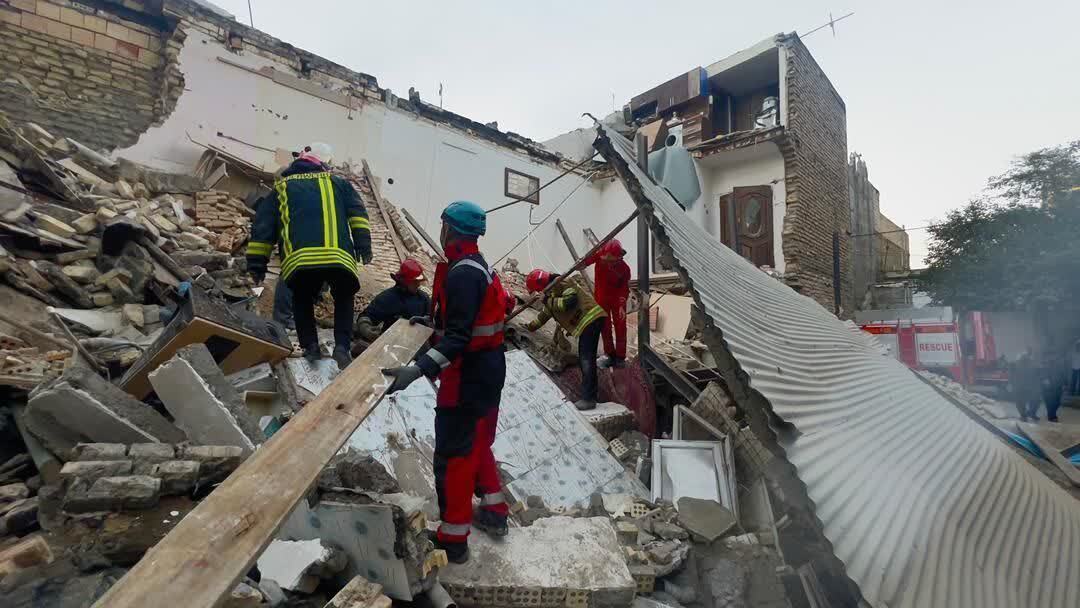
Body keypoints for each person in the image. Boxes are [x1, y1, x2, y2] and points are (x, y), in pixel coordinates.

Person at [381, 201, 510, 564]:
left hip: (468, 374)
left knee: (454, 455)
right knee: (477, 442)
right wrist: (432, 319)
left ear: (449, 229)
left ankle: (453, 539)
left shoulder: (462, 273)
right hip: (487, 370)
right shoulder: (475, 266)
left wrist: (416, 370)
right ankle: (495, 512)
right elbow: (467, 320)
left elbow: (458, 337)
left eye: (442, 225)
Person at [246, 142, 372, 370]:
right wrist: (364, 245)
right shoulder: (338, 183)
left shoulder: (281, 188)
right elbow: (358, 214)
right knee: (343, 296)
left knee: (301, 299)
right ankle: (342, 348)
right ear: (325, 165)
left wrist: (257, 264)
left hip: (300, 260)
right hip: (338, 258)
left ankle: (311, 347)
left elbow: (263, 228)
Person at [523, 268, 608, 411]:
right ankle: (591, 396)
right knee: (587, 359)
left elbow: (568, 302)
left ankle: (588, 399)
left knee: (586, 360)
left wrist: (547, 299)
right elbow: (544, 315)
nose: (538, 295)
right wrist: (529, 327)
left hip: (591, 320)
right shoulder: (551, 294)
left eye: (537, 291)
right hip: (590, 322)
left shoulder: (562, 282)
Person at [355, 259, 431, 341]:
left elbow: (432, 320)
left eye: (419, 281)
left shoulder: (424, 298)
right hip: (391, 344)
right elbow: (366, 316)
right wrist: (366, 329)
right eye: (415, 282)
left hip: (418, 343)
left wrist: (427, 321)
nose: (418, 284)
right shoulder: (388, 298)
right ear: (405, 282)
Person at [583, 239, 631, 368]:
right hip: (601, 299)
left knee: (620, 327)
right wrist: (581, 264)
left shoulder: (625, 269)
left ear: (618, 256)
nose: (606, 261)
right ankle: (609, 354)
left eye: (610, 259)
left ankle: (621, 357)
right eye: (605, 258)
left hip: (617, 301)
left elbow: (624, 289)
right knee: (604, 326)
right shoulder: (599, 255)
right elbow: (584, 262)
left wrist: (621, 305)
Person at [1011, 348, 1042, 422]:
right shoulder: (1017, 364)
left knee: (1032, 401)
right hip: (1023, 387)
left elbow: (1038, 375)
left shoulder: (1031, 364)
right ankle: (1025, 415)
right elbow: (1012, 376)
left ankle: (1028, 414)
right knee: (1023, 402)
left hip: (1027, 387)